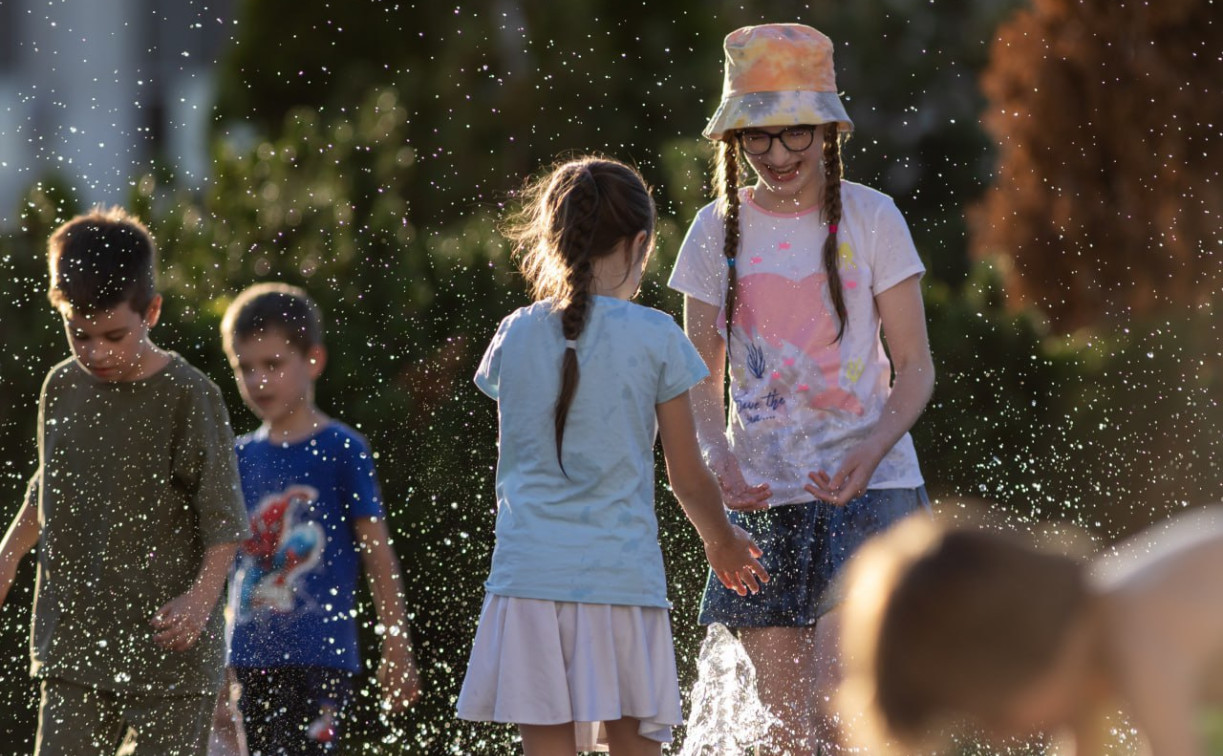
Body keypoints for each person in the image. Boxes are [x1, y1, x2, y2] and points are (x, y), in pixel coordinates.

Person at [667, 23, 936, 754]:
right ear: (733, 140)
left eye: (795, 136)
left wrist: (874, 447)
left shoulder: (873, 217)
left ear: (826, 128)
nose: (777, 156)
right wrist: (717, 456)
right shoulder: (709, 231)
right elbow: (696, 377)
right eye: (757, 139)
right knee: (782, 735)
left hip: (870, 489)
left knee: (838, 713)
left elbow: (914, 368)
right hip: (762, 502)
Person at [455, 155, 769, 756]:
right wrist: (721, 539)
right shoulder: (655, 337)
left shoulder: (515, 334)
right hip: (620, 582)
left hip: (528, 583)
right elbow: (685, 476)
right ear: (641, 244)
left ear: (553, 240)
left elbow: (514, 467)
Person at [0, 206, 250, 755]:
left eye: (114, 334)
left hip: (172, 655)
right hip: (74, 644)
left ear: (152, 310)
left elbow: (226, 517)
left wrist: (200, 601)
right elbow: (49, 485)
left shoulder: (189, 395)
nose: (96, 352)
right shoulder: (60, 387)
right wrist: (9, 555)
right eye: (79, 333)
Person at [216, 282, 421, 753]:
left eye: (272, 364)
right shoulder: (238, 457)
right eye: (244, 368)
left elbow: (377, 554)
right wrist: (216, 663)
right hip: (248, 656)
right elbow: (224, 563)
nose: (258, 381)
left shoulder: (341, 449)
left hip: (321, 657)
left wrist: (396, 645)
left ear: (313, 360)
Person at [838, 508, 1223, 756]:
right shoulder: (1103, 623)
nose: (1002, 741)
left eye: (994, 715)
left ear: (1029, 653)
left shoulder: (1138, 637)